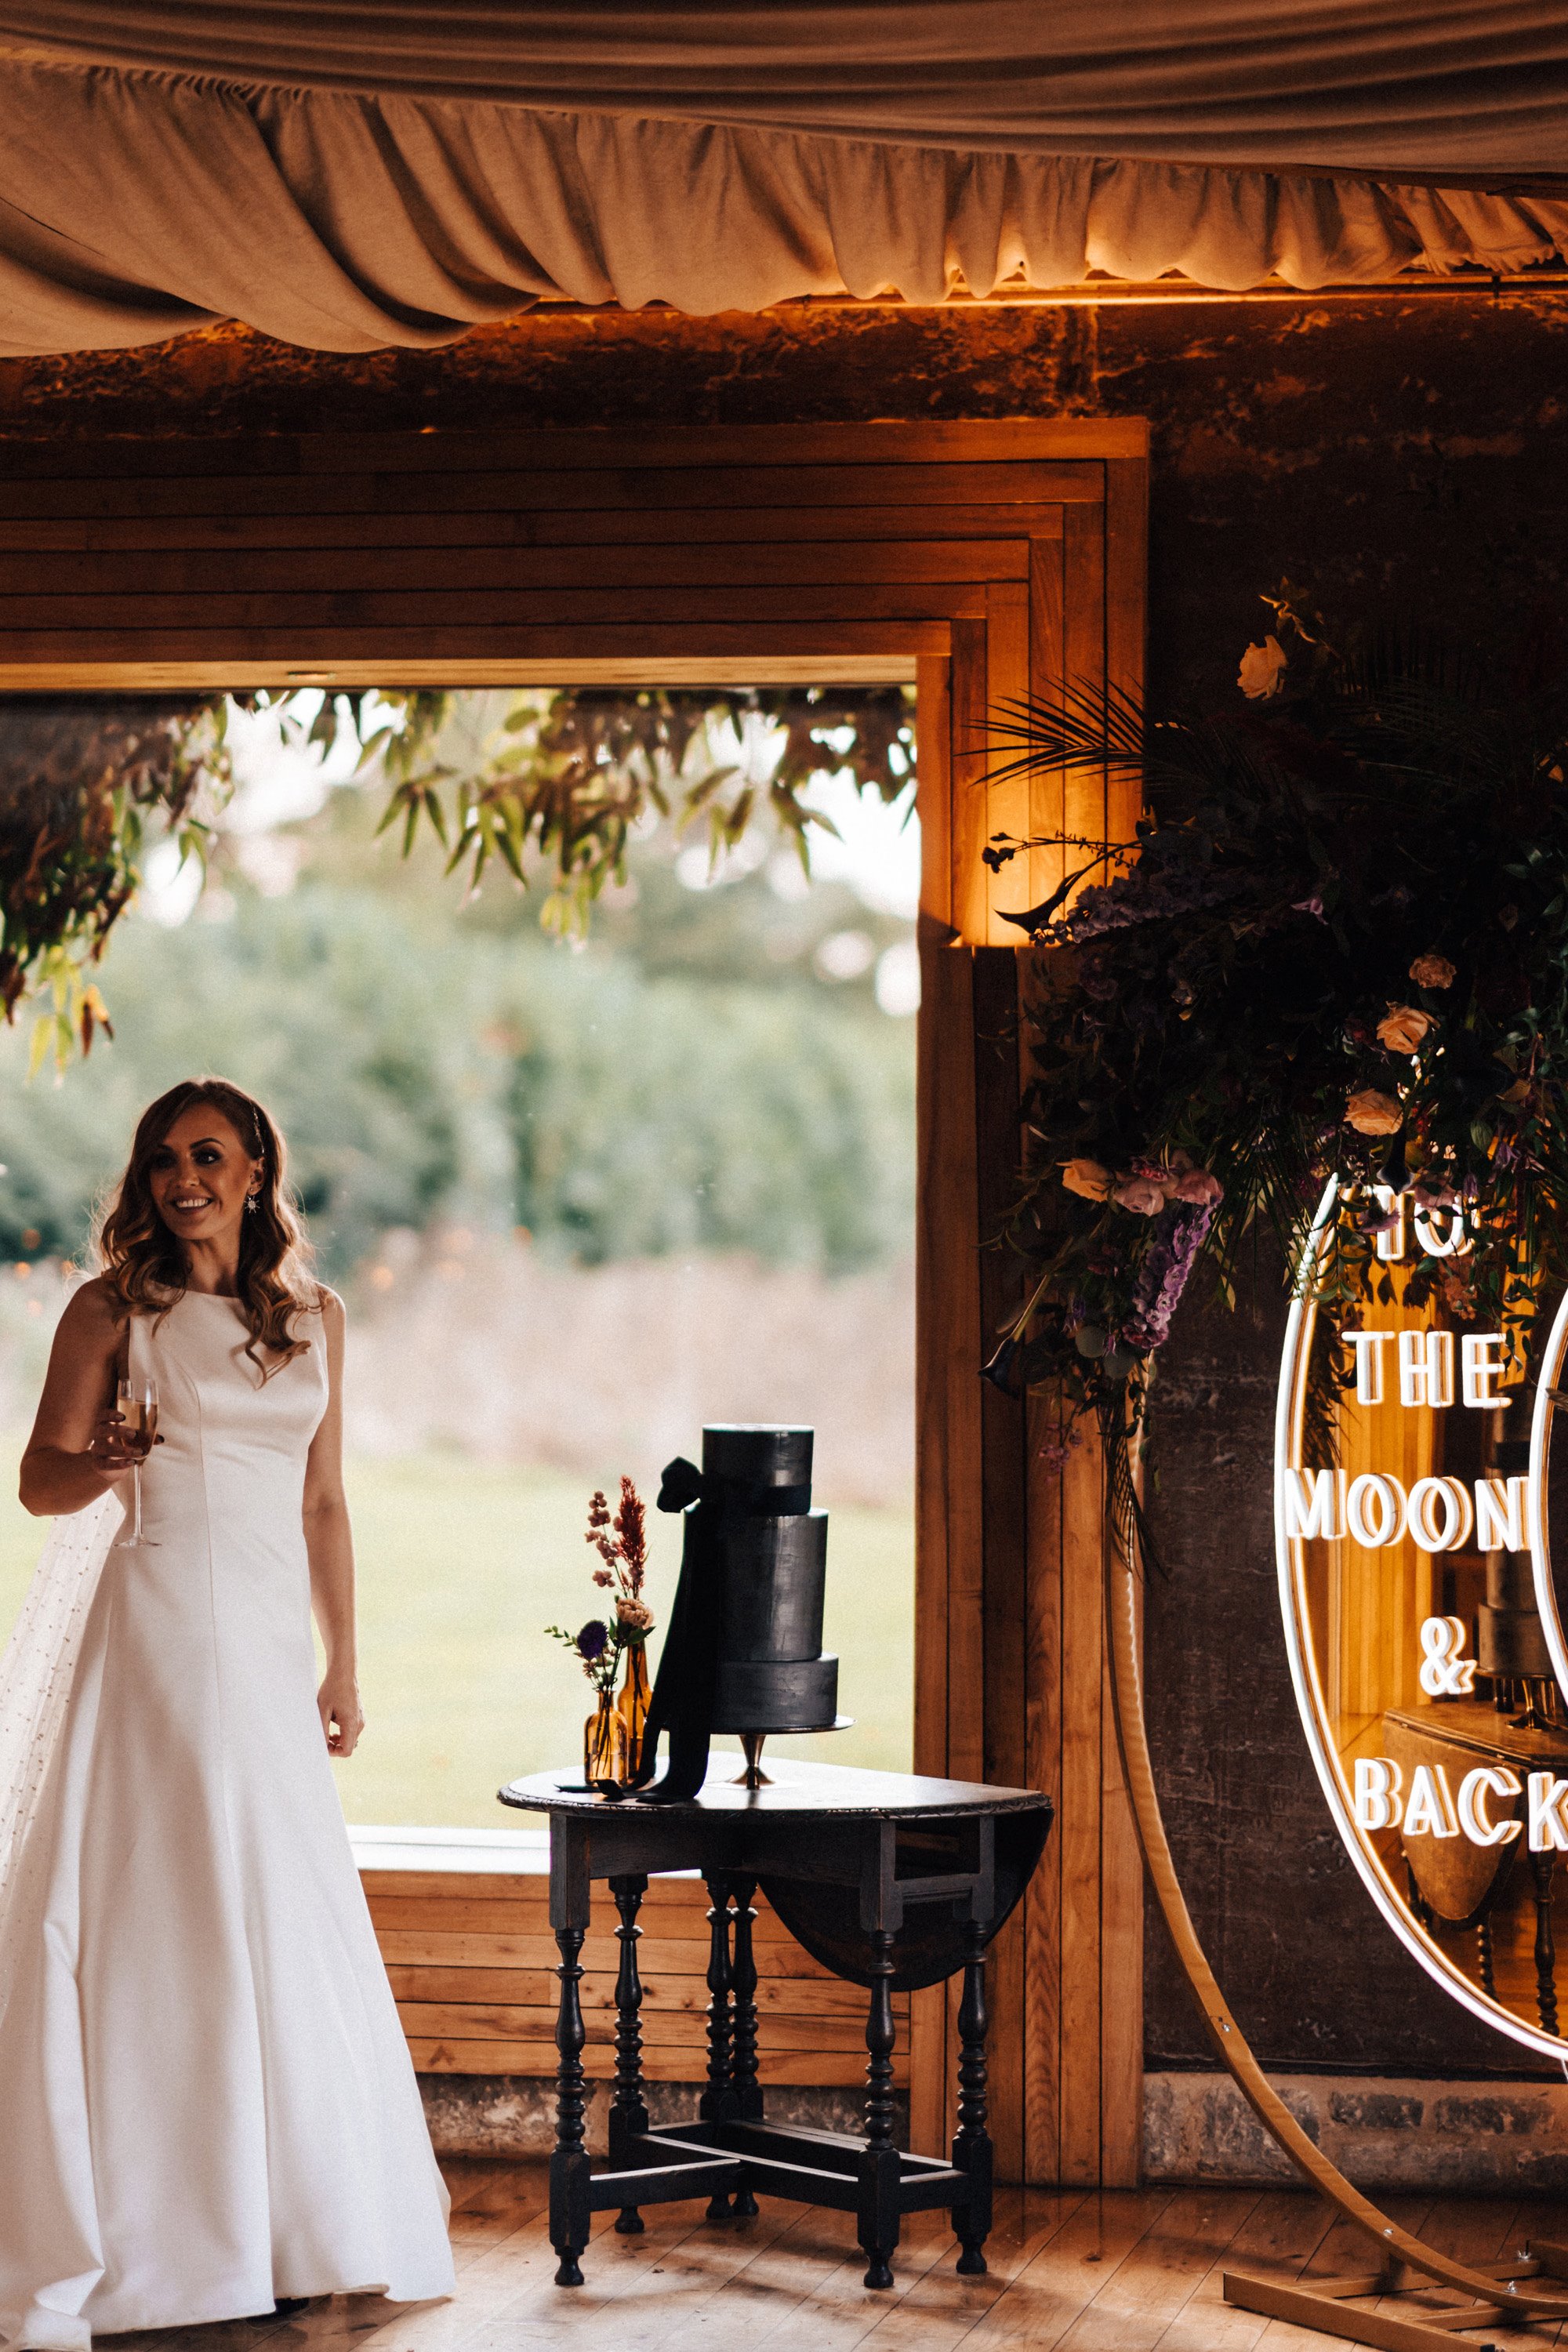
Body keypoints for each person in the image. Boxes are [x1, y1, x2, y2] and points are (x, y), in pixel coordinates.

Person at [0, 1078, 455, 2349]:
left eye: (207, 1155)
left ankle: (294, 2225)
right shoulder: (112, 1312)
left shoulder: (318, 1317)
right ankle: (169, 2229)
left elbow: (324, 1502)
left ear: (258, 1167)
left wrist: (342, 1662)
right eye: (161, 1161)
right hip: (155, 1625)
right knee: (178, 1893)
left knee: (283, 1899)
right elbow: (39, 1480)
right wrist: (109, 1464)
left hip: (263, 1645)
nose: (182, 1178)